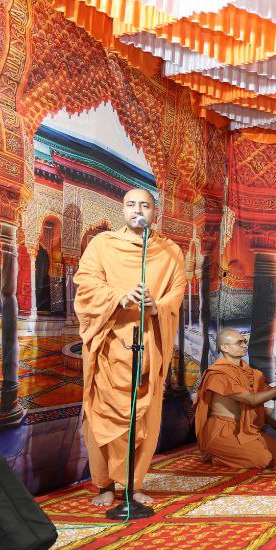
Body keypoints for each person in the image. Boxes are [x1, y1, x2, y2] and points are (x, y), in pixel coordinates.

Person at [74, 188, 185, 508]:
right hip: (108, 343)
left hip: (148, 343)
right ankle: (105, 484)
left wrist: (156, 307)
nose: (138, 210)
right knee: (103, 414)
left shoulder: (170, 252)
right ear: (123, 209)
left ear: (155, 212)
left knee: (143, 417)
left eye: (145, 205)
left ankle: (132, 484)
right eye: (131, 204)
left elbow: (176, 293)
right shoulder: (102, 245)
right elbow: (86, 285)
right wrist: (118, 297)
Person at [195, 329, 276, 468]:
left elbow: (271, 394)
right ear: (225, 347)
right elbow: (252, 399)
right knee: (264, 459)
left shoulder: (251, 373)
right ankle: (216, 455)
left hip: (247, 430)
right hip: (224, 430)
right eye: (239, 343)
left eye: (245, 342)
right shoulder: (218, 374)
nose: (245, 345)